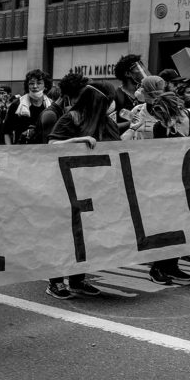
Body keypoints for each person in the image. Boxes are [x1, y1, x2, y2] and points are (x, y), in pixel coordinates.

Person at [44, 83, 120, 299]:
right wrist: (78, 141)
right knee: (64, 234)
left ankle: (78, 279)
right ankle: (56, 281)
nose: (112, 105)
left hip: (94, 188)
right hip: (66, 186)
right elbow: (51, 145)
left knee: (86, 235)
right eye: (109, 101)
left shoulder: (108, 123)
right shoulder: (71, 118)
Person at [146, 92, 190, 286]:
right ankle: (157, 267)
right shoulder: (160, 128)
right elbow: (165, 152)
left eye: (161, 112)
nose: (158, 116)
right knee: (169, 225)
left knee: (185, 223)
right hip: (169, 180)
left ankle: (172, 265)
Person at [5, 69, 53, 144]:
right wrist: (9, 151)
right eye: (31, 83)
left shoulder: (51, 106)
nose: (35, 86)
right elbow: (6, 132)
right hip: (20, 151)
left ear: (45, 86)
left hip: (44, 151)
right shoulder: (17, 105)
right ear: (27, 86)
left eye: (39, 83)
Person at [112, 54, 144, 132]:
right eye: (138, 68)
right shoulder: (116, 96)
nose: (142, 71)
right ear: (127, 74)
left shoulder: (145, 94)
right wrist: (130, 124)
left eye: (142, 67)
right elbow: (109, 126)